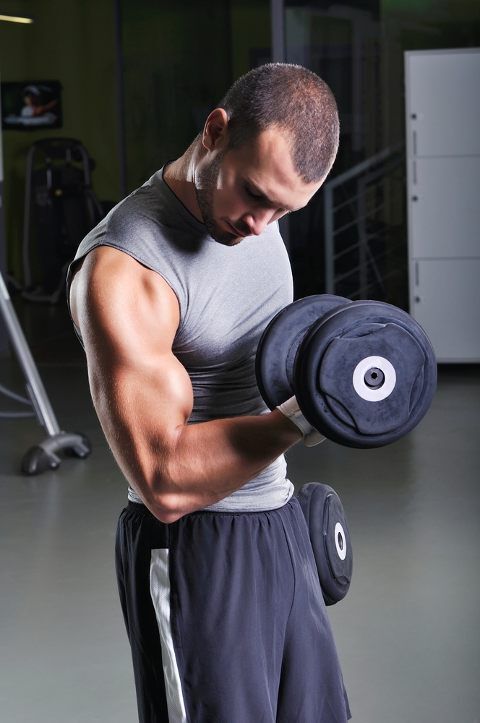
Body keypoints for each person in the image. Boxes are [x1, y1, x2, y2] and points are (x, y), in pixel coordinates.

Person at [67, 63, 351, 723]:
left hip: (277, 520)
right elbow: (162, 477)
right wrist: (310, 410)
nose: (261, 225)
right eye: (255, 194)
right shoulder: (129, 269)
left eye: (284, 209)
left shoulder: (255, 208)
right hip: (194, 548)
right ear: (216, 131)